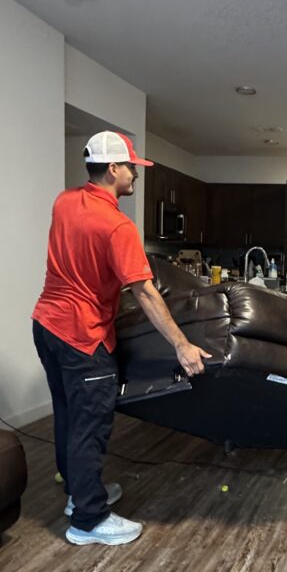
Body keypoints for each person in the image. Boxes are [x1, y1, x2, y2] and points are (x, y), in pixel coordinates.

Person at [32, 131, 210, 545]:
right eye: (131, 167)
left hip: (46, 324)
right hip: (82, 336)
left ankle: (79, 495)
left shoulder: (65, 201)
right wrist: (182, 345)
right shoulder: (117, 226)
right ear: (113, 169)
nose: (135, 174)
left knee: (68, 415)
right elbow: (145, 291)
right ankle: (89, 520)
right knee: (89, 425)